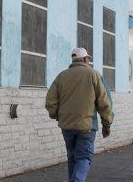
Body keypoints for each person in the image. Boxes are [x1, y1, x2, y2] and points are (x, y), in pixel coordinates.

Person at [45, 47, 113, 182]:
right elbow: (104, 102)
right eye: (89, 59)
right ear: (86, 59)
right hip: (86, 126)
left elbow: (50, 101)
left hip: (67, 126)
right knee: (83, 158)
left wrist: (57, 116)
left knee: (72, 158)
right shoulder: (94, 75)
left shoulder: (62, 76)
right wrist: (107, 124)